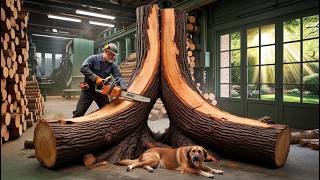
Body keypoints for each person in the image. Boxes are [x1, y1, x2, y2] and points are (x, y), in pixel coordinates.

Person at [72, 43, 127, 117]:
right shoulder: (93, 58)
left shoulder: (113, 65)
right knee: (79, 113)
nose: (113, 57)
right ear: (106, 51)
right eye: (112, 54)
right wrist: (96, 78)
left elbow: (119, 77)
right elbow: (83, 68)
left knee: (108, 112)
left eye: (114, 55)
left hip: (101, 91)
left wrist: (123, 87)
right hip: (88, 90)